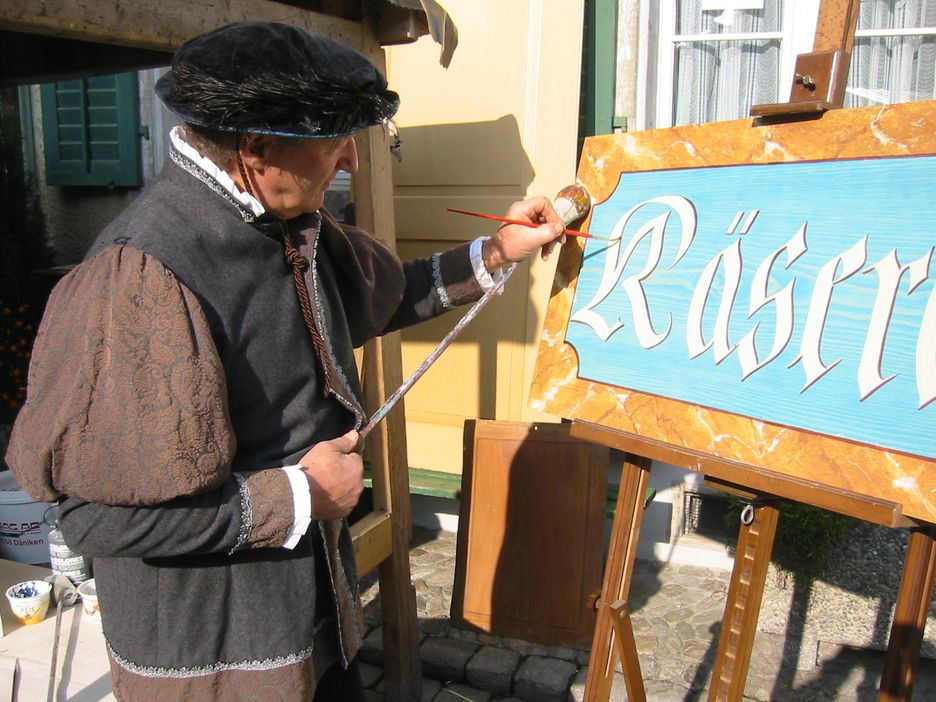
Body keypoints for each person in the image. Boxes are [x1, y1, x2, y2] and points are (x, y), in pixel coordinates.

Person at [4, 20, 565, 702]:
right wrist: (296, 496)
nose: (352, 162)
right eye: (335, 140)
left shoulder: (287, 223)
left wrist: (502, 249)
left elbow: (393, 296)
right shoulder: (140, 277)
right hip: (211, 665)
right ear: (257, 145)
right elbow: (95, 520)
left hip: (311, 620)